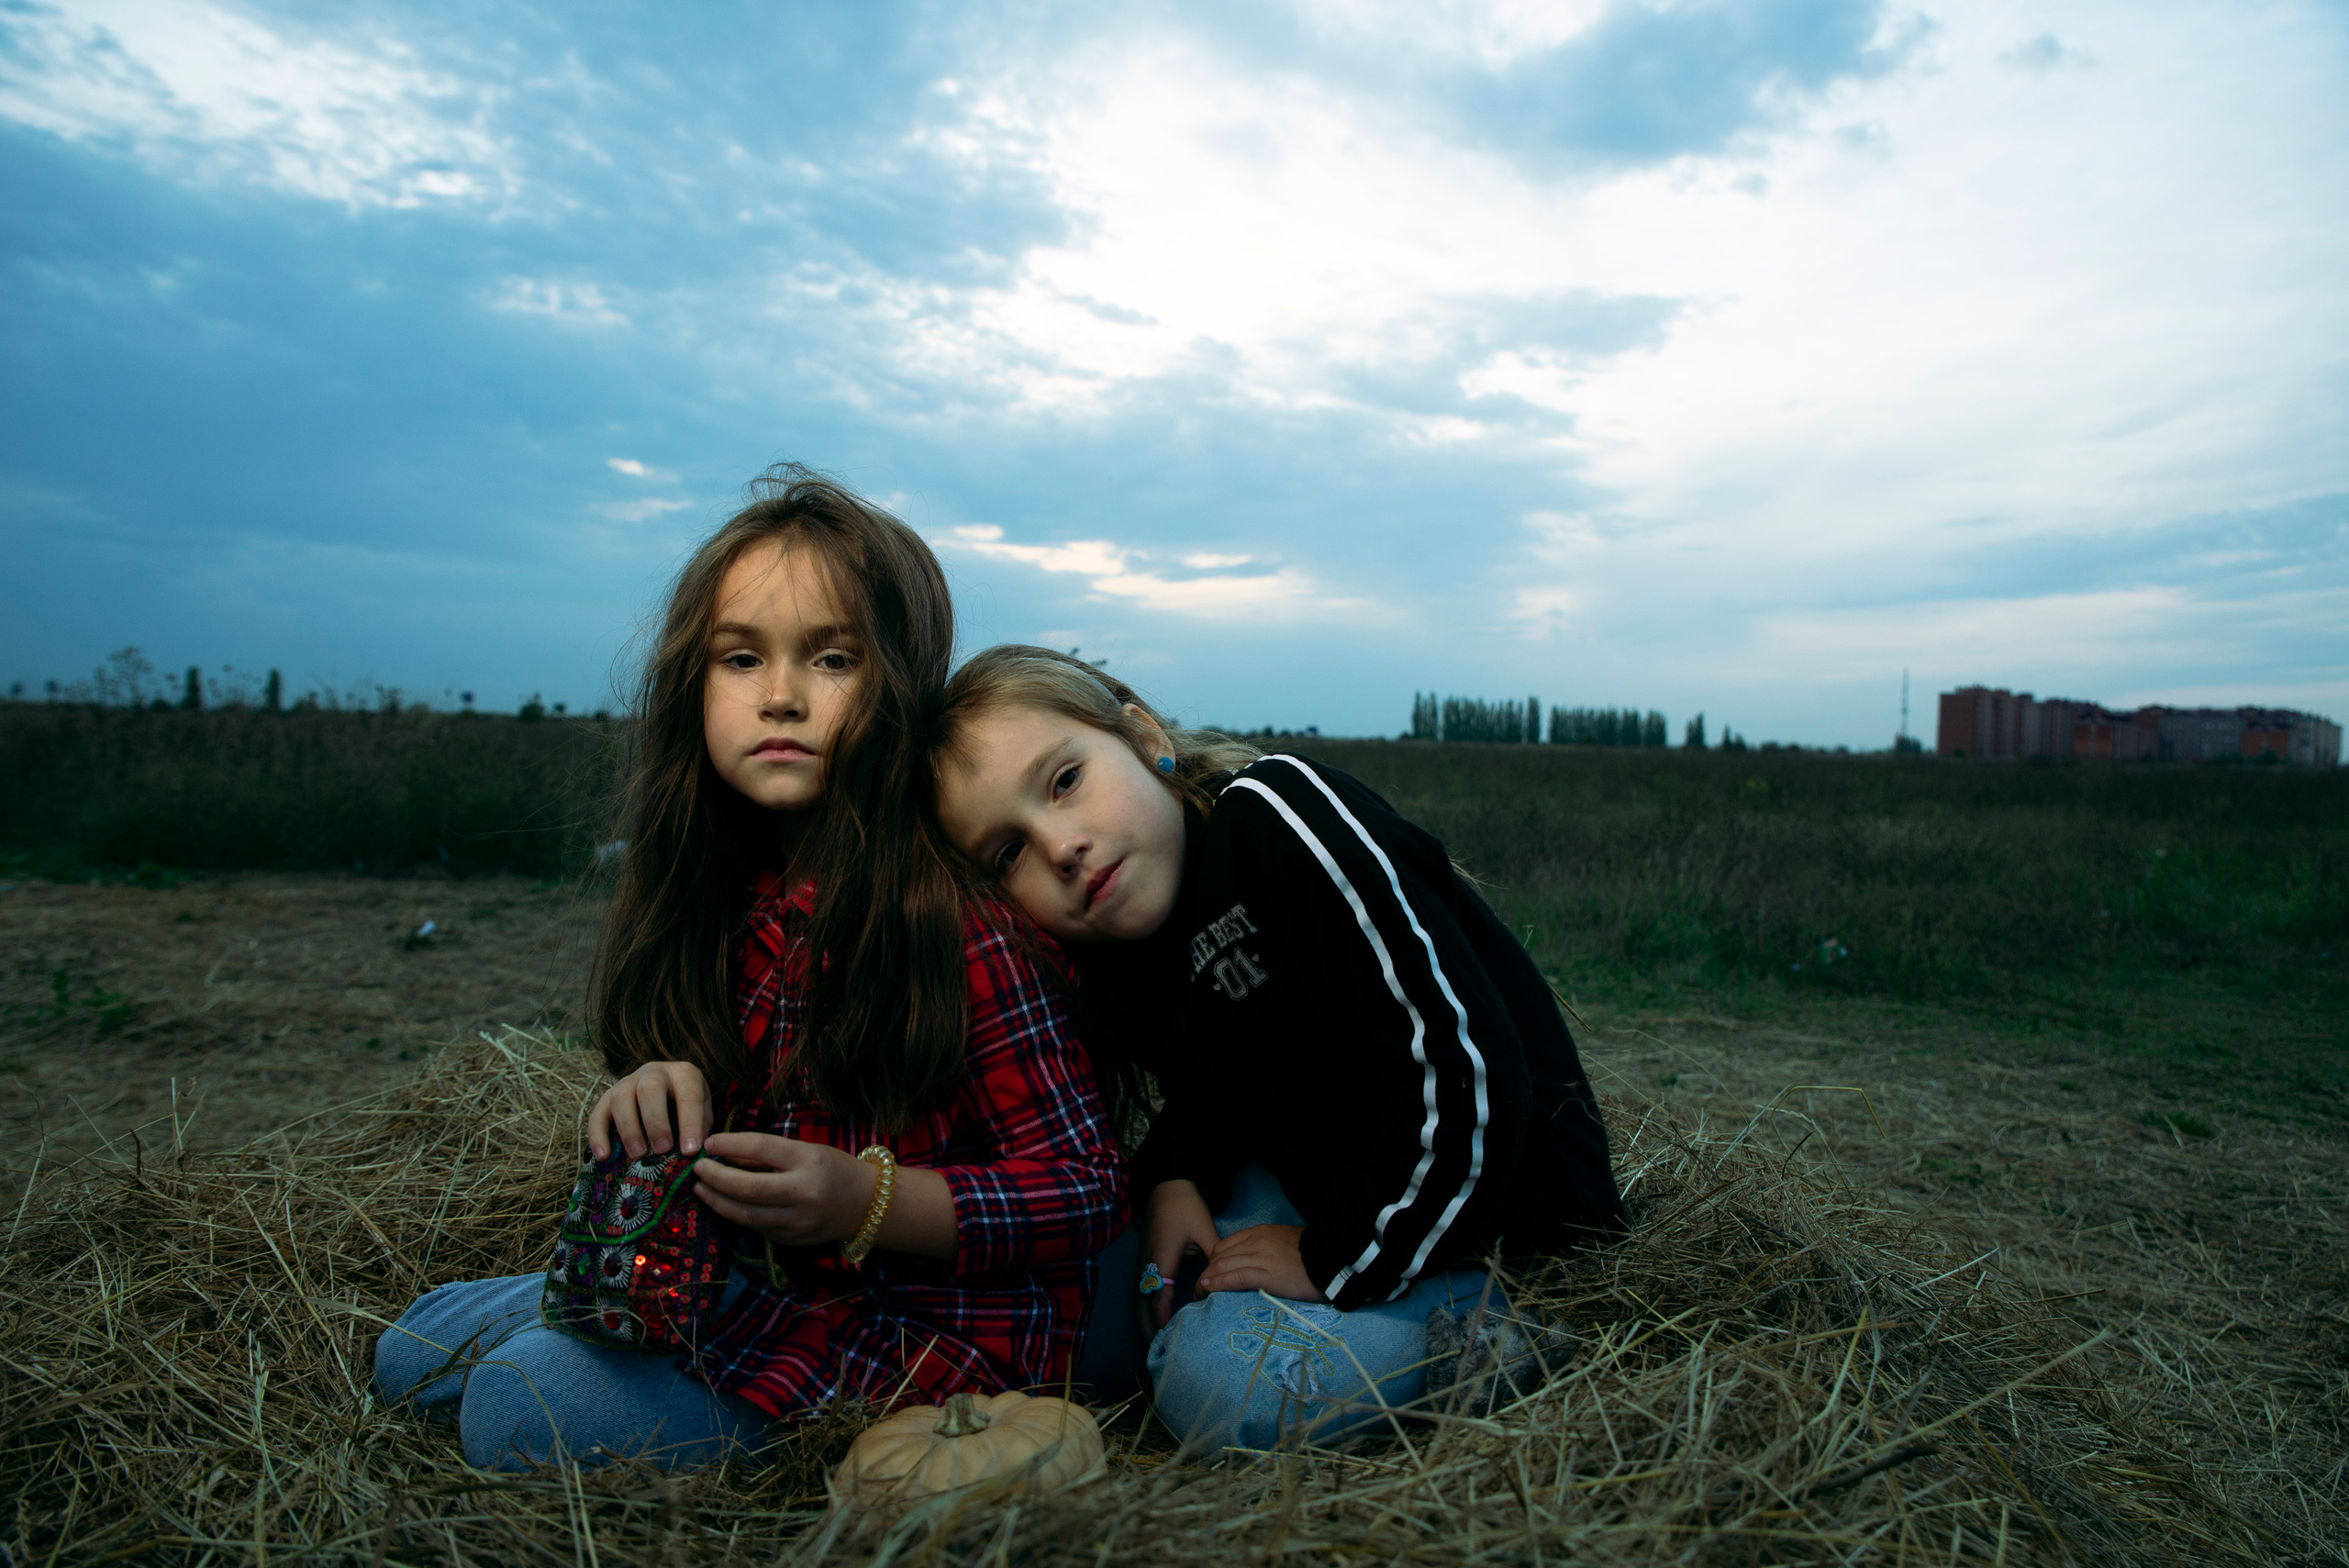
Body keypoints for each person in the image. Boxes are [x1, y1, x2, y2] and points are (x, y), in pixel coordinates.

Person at [373, 473, 1127, 1472]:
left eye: (831, 657)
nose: (780, 694)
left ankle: (692, 1396)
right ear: (695, 682)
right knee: (413, 1348)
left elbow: (1085, 1191)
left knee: (519, 1407)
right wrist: (651, 1088)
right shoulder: (732, 895)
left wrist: (865, 1198)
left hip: (916, 1342)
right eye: (741, 657)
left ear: (899, 680)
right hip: (746, 1281)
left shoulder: (953, 924)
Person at [930, 646, 1627, 1453]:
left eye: (1064, 781)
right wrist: (1173, 1177)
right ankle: (1256, 1324)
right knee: (1112, 1302)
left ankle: (1478, 1322)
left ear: (1142, 733)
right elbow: (1225, 1084)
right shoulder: (1126, 957)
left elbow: (1466, 1066)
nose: (1060, 846)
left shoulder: (1276, 814)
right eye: (1008, 852)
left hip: (1499, 1201)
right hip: (1326, 1182)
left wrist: (1334, 1258)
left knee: (1221, 1390)